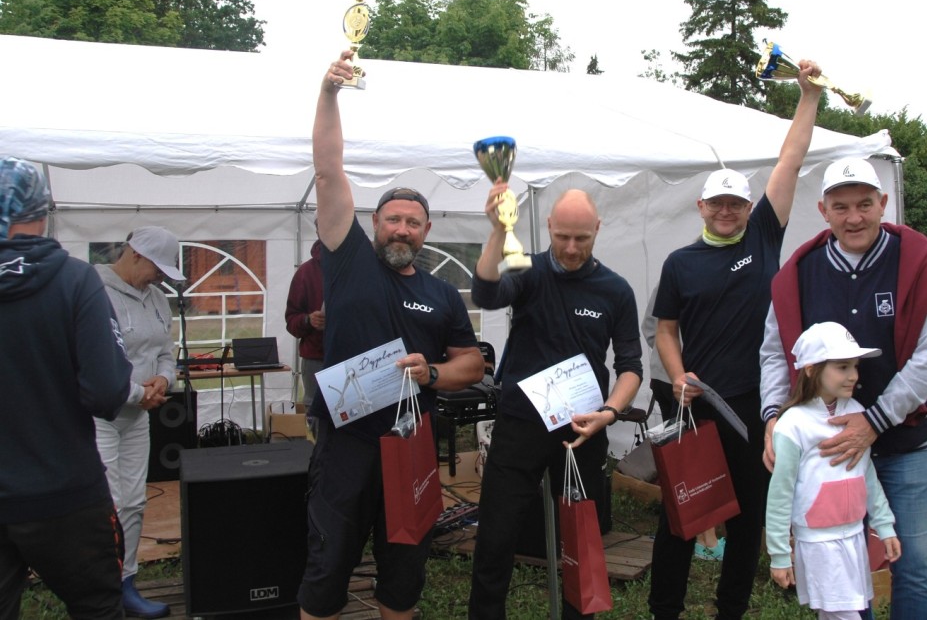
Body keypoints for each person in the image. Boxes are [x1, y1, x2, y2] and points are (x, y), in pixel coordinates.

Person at [302, 53, 485, 620]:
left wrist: (431, 373)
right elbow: (330, 171)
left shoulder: (443, 293)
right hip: (346, 442)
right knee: (328, 566)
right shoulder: (347, 259)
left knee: (404, 570)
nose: (401, 228)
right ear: (374, 224)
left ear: (427, 232)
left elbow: (472, 363)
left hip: (412, 445)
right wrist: (329, 94)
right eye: (392, 219)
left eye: (413, 222)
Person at [647, 59, 824, 620]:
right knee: (684, 512)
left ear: (750, 209)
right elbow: (665, 331)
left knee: (748, 514)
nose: (727, 211)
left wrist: (808, 98)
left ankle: (731, 610)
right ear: (701, 207)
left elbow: (790, 161)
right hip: (697, 406)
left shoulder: (764, 237)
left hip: (754, 404)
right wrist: (677, 375)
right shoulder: (680, 263)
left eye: (736, 203)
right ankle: (665, 610)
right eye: (717, 203)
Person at [761, 156, 927, 619]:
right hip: (829, 450)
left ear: (883, 203)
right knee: (840, 560)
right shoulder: (800, 272)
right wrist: (773, 417)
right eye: (841, 206)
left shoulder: (916, 261)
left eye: (865, 204)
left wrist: (875, 420)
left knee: (915, 562)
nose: (854, 217)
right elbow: (775, 350)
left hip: (906, 441)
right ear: (823, 209)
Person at [467, 182, 642, 620]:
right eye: (562, 236)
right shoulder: (527, 270)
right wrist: (496, 231)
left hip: (582, 429)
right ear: (548, 226)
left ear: (598, 230)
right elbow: (486, 295)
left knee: (582, 540)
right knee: (496, 538)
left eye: (581, 238)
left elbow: (630, 366)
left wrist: (609, 413)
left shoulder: (614, 289)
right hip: (521, 424)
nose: (569, 247)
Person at [0, 157, 132, 619]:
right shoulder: (75, 280)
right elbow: (108, 391)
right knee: (97, 609)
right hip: (65, 492)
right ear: (43, 209)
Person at [766, 322, 901, 620]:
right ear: (812, 369)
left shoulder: (856, 414)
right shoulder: (792, 424)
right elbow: (780, 492)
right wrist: (778, 553)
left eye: (854, 366)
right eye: (842, 367)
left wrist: (885, 524)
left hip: (854, 537)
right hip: (818, 544)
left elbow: (867, 475)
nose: (853, 375)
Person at [94, 226, 185, 619]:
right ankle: (98, 588)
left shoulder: (157, 300)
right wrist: (137, 392)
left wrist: (164, 379)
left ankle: (126, 582)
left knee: (133, 502)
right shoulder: (92, 292)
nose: (162, 277)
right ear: (134, 255)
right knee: (106, 504)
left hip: (137, 417)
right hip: (98, 416)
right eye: (158, 268)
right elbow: (92, 360)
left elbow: (166, 350)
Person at [642, 284, 724, 561]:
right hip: (683, 381)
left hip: (673, 378)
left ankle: (691, 528)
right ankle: (705, 537)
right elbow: (653, 328)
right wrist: (674, 361)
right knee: (695, 454)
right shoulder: (682, 272)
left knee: (683, 453)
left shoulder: (676, 271)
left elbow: (649, 326)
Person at [285, 218, 325, 417]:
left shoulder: (360, 267)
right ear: (318, 231)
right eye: (324, 226)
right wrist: (309, 320)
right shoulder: (305, 273)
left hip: (354, 357)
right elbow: (291, 321)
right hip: (317, 359)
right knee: (316, 416)